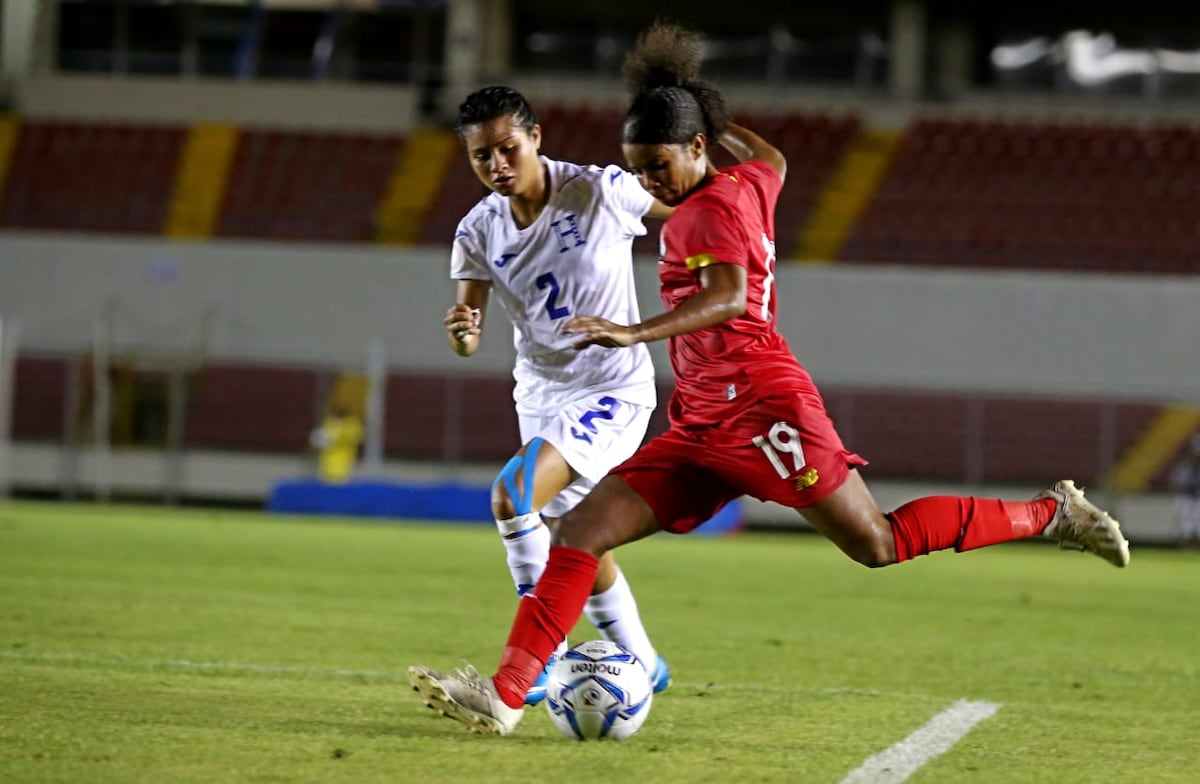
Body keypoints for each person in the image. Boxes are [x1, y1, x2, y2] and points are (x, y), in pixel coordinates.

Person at [408, 22, 1130, 737]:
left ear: (692, 149)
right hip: (701, 421)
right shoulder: (751, 181)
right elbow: (774, 156)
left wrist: (632, 331)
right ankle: (505, 695)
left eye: (658, 166)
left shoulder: (701, 216)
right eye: (639, 168)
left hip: (765, 411)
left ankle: (1052, 515)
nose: (647, 184)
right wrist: (704, 113)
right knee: (581, 530)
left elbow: (724, 296)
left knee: (876, 543)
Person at [436, 85, 674, 705]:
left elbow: (691, 207)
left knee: (512, 496)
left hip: (611, 386)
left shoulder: (600, 191)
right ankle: (645, 662)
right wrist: (465, 334)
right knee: (575, 535)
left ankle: (542, 657)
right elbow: (467, 331)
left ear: (536, 137)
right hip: (541, 393)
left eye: (508, 148)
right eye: (481, 156)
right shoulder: (477, 230)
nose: (497, 166)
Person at [1169, 433, 1200, 548]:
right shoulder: (1185, 467)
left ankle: (1196, 546)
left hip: (1198, 497)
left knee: (1198, 522)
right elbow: (1176, 482)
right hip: (1186, 496)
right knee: (1186, 522)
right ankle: (1187, 545)